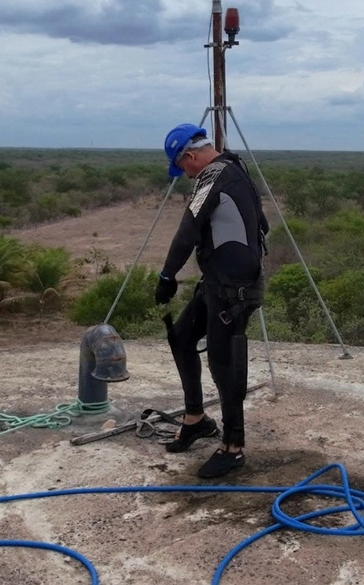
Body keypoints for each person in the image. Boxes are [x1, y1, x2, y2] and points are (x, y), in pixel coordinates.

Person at [155, 123, 269, 478]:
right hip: (217, 284)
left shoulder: (213, 177)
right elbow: (261, 226)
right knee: (182, 338)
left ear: (190, 157)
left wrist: (167, 275)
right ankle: (196, 419)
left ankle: (233, 448)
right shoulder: (235, 170)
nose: (184, 175)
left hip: (233, 290)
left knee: (225, 366)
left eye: (182, 167)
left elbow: (188, 229)